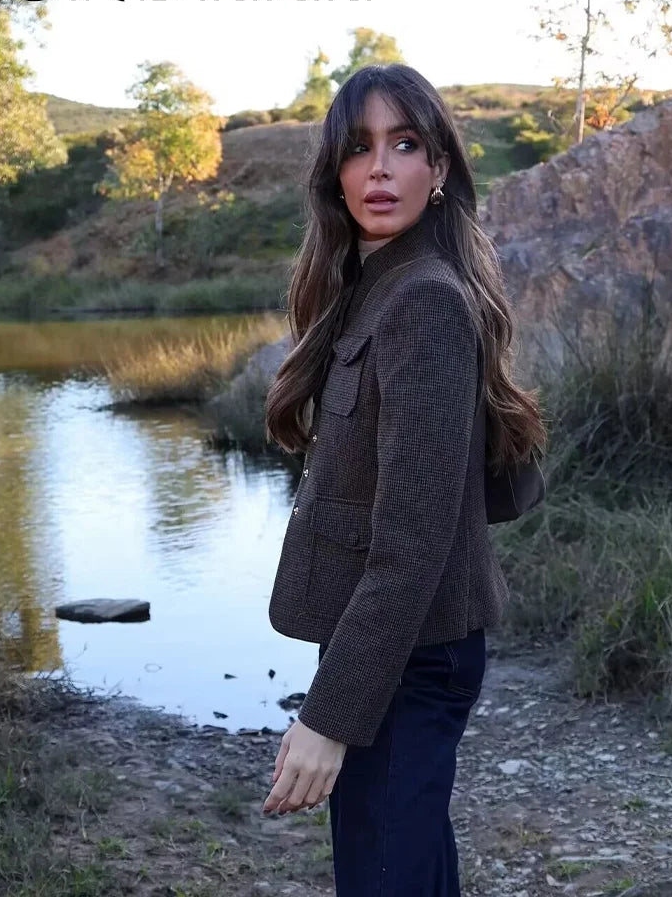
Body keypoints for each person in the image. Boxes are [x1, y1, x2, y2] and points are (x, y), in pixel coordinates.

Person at [261, 63, 548, 895]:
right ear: (335, 172)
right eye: (359, 148)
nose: (379, 169)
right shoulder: (370, 288)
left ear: (440, 168)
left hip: (409, 654)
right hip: (389, 641)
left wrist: (328, 717)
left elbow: (412, 543)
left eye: (404, 144)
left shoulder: (422, 300)